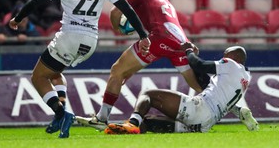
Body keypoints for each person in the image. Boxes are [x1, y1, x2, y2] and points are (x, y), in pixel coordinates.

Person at [9, 0, 150, 138]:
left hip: (69, 36)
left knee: (39, 77)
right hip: (91, 41)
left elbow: (37, 0)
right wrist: (143, 35)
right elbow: (128, 9)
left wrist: (18, 18)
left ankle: (62, 113)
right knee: (55, 73)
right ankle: (61, 111)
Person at [76, 0, 211, 131]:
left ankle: (102, 118)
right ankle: (226, 108)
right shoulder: (165, 1)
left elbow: (114, 12)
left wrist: (118, 29)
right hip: (180, 44)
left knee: (117, 70)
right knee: (196, 83)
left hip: (158, 39)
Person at [104, 43, 259, 134]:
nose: (222, 58)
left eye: (226, 55)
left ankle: (131, 123)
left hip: (199, 109)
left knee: (148, 94)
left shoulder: (231, 64)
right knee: (149, 122)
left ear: (236, 58)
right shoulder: (245, 77)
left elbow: (200, 65)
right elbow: (205, 81)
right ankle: (124, 130)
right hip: (204, 125)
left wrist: (189, 51)